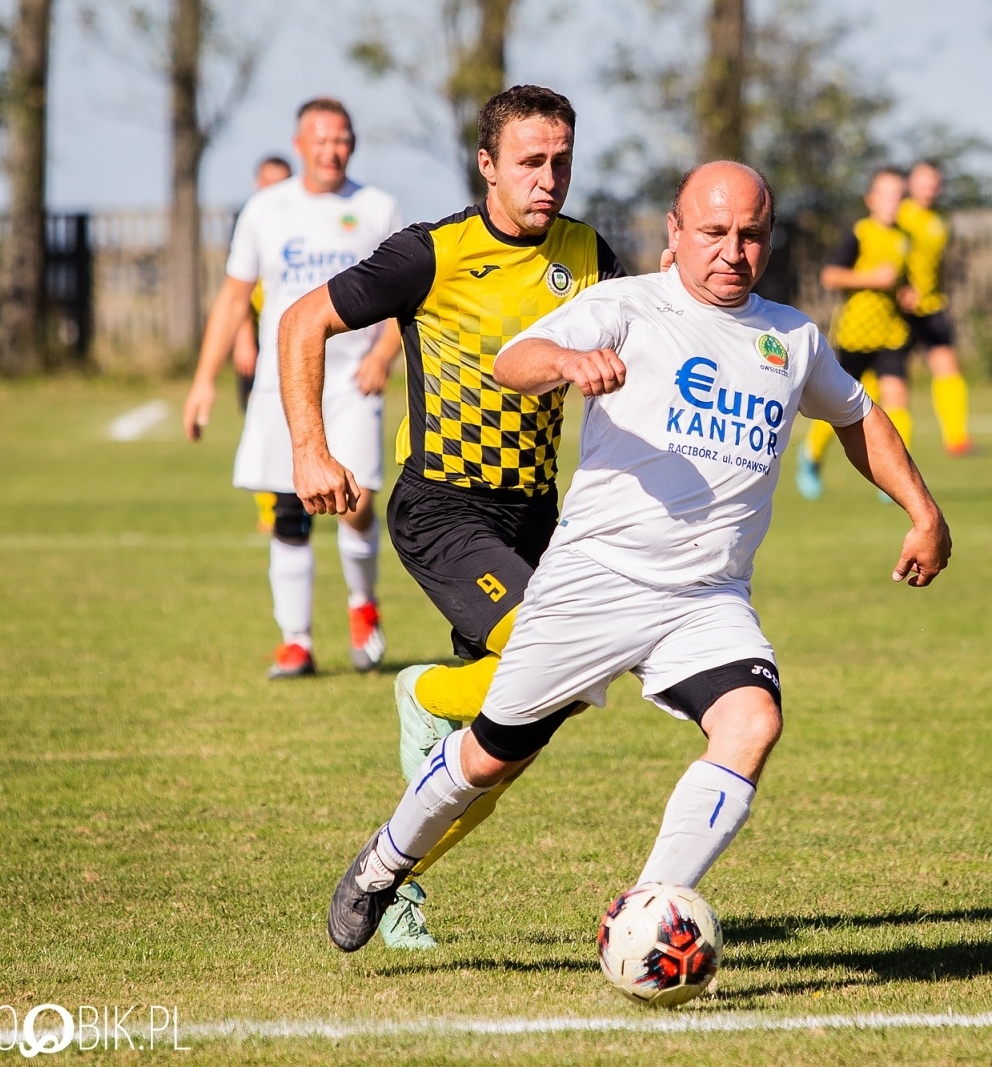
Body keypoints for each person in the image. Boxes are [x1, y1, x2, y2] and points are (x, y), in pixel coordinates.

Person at [320, 160, 952, 955]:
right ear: (675, 235)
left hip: (708, 598)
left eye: (750, 235)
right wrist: (567, 363)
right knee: (486, 757)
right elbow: (513, 359)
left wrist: (923, 511)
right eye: (714, 233)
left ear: (769, 238)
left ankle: (649, 907)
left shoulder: (790, 336)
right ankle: (382, 863)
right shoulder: (626, 305)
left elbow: (858, 418)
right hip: (594, 584)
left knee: (754, 720)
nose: (732, 251)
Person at [280, 85, 624, 950]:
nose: (550, 179)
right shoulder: (431, 253)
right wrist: (310, 451)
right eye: (531, 163)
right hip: (444, 508)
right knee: (557, 659)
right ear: (488, 166)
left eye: (562, 162)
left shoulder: (589, 252)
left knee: (511, 741)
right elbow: (300, 321)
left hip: (538, 517)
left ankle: (394, 877)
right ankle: (425, 690)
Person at [182, 99, 402, 680]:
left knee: (355, 503)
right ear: (299, 143)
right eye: (322, 139)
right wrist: (204, 381)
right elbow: (235, 297)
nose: (333, 150)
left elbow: (408, 300)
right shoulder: (265, 210)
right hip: (284, 385)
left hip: (353, 383)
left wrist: (382, 354)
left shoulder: (376, 209)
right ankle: (296, 642)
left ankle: (363, 607)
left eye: (343, 139)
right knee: (288, 506)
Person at [796, 168, 914, 501]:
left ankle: (894, 479)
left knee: (897, 401)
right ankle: (811, 456)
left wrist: (906, 293)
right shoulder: (860, 233)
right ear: (871, 199)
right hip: (855, 335)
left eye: (899, 195)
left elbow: (899, 280)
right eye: (886, 195)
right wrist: (872, 278)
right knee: (840, 405)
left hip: (891, 333)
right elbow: (831, 276)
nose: (893, 202)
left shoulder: (905, 238)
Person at [232, 154, 294, 536]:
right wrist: (242, 340)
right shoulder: (253, 220)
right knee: (263, 425)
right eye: (268, 180)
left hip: (294, 346)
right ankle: (270, 510)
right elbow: (236, 290)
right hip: (259, 347)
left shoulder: (301, 220)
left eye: (281, 181)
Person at [898, 160, 973, 456]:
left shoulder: (939, 222)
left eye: (936, 183)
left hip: (930, 306)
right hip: (898, 308)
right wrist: (900, 288)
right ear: (910, 183)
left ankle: (956, 438)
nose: (931, 188)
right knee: (878, 382)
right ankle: (816, 450)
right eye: (924, 182)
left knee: (947, 365)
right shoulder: (900, 216)